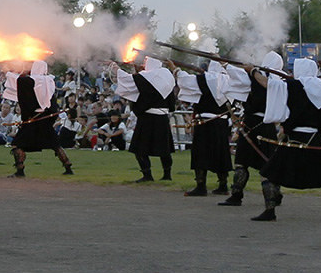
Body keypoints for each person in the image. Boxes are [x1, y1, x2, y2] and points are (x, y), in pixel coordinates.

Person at [247, 58, 321, 221]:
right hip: (314, 137)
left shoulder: (293, 86)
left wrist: (253, 71)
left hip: (295, 137)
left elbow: (268, 84)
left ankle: (270, 211)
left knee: (270, 173)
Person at [219, 51, 284, 207]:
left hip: (253, 123)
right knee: (254, 162)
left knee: (244, 162)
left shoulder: (258, 76)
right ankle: (273, 195)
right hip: (265, 125)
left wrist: (225, 64)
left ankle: (238, 196)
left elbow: (238, 75)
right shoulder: (280, 81)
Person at [172, 61, 232, 195]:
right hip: (221, 123)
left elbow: (185, 80)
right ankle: (223, 185)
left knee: (200, 154)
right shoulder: (230, 80)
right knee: (221, 154)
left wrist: (174, 69)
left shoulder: (204, 79)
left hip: (205, 122)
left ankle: (201, 186)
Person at [4, 60, 73, 177]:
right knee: (55, 145)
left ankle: (20, 170)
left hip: (33, 119)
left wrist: (26, 117)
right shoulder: (50, 81)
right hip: (45, 120)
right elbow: (52, 104)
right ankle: (68, 166)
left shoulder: (28, 81)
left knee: (17, 145)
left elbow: (22, 89)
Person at [115, 57, 176, 182]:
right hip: (162, 118)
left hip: (148, 118)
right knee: (164, 150)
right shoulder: (167, 77)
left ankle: (147, 175)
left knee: (140, 148)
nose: (143, 65)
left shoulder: (144, 78)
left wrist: (116, 68)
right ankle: (167, 174)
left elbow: (129, 81)